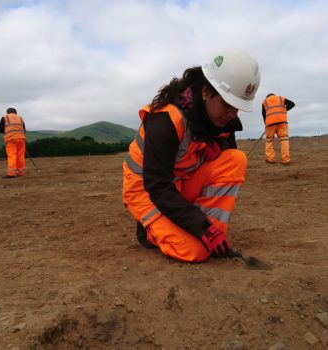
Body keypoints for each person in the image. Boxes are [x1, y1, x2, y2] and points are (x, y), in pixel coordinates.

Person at [122, 48, 261, 263]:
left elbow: (224, 158)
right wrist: (200, 227)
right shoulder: (165, 120)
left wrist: (206, 231)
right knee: (196, 251)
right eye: (227, 105)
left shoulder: (224, 120)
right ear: (206, 92)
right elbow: (157, 186)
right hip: (147, 191)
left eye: (237, 108)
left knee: (236, 159)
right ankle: (149, 231)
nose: (232, 114)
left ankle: (207, 233)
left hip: (179, 184)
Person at [262, 93, 295, 164]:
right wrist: (282, 110)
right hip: (282, 122)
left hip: (270, 124)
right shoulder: (280, 98)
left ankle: (270, 159)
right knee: (284, 140)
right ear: (274, 95)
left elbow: (264, 115)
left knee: (269, 141)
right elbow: (292, 104)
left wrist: (266, 124)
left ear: (267, 97)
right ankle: (286, 160)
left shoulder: (265, 102)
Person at [0, 107, 26, 178]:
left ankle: (11, 173)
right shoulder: (20, 118)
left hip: (11, 139)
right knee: (20, 156)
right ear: (15, 112)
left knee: (12, 155)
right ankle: (20, 172)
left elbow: (0, 129)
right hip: (21, 138)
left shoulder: (5, 117)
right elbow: (24, 130)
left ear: (7, 112)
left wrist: (7, 132)